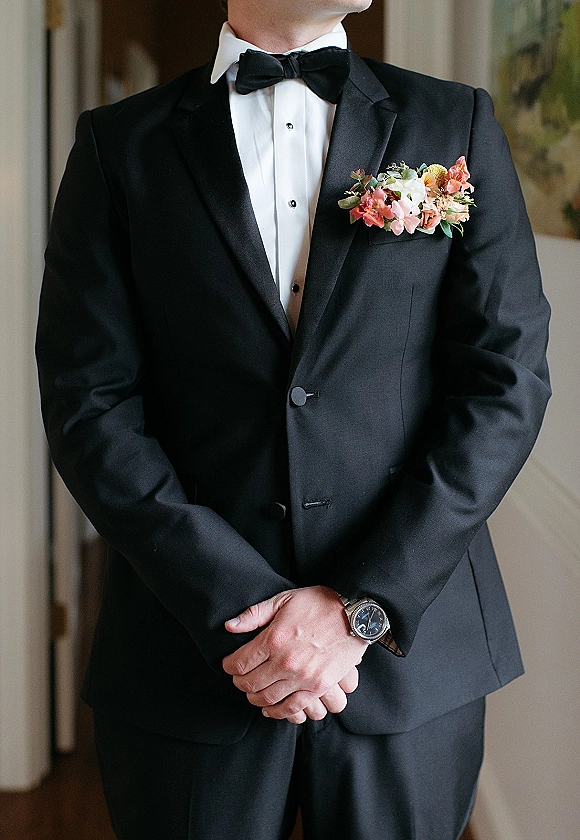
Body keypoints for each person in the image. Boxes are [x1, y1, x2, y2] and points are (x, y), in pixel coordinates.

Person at [35, 0, 551, 838]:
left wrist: (360, 605)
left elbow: (506, 381)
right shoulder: (117, 144)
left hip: (406, 660)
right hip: (193, 648)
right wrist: (240, 605)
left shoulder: (451, 118)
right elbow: (87, 401)